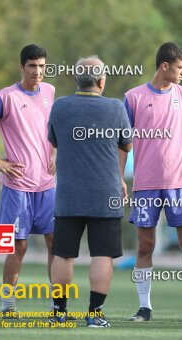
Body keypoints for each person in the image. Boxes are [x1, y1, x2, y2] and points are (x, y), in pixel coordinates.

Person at [121, 42, 182, 323]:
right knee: (144, 246)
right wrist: (118, 178)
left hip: (180, 182)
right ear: (164, 66)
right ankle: (144, 308)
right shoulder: (132, 97)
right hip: (145, 184)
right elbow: (123, 143)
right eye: (181, 68)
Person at [0, 44, 56, 316]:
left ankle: (58, 306)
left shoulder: (51, 92)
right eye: (32, 66)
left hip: (48, 185)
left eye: (42, 66)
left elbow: (52, 128)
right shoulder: (5, 97)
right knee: (18, 246)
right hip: (17, 187)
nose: (37, 71)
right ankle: (8, 306)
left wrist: (55, 151)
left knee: (57, 244)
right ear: (22, 67)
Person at [48, 56, 132, 328]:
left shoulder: (60, 107)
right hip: (104, 194)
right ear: (101, 81)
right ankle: (95, 315)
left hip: (69, 194)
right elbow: (126, 145)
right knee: (102, 254)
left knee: (63, 254)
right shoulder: (116, 108)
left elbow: (54, 141)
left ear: (76, 80)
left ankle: (59, 313)